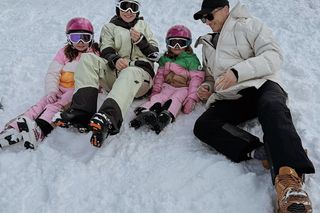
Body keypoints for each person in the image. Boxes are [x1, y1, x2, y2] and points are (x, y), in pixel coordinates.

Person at [192, 0, 315, 212]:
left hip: (262, 84)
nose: (206, 22)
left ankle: (289, 183)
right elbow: (211, 76)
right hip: (234, 95)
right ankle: (264, 151)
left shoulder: (250, 25)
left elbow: (273, 56)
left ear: (224, 9)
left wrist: (237, 72)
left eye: (209, 16)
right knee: (204, 125)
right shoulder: (207, 44)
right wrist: (207, 86)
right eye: (203, 19)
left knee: (272, 106)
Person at [53, 0, 159, 148]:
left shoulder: (144, 27)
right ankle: (82, 113)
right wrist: (114, 60)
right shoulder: (109, 27)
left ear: (137, 11)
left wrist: (142, 42)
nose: (128, 11)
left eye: (133, 8)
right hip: (115, 74)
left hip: (140, 79)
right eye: (124, 6)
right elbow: (106, 49)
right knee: (88, 58)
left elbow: (155, 55)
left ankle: (108, 118)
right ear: (118, 8)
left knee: (130, 71)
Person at [0, 17, 99, 150]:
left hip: (76, 90)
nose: (80, 42)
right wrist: (51, 91)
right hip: (59, 88)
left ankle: (40, 129)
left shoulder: (94, 54)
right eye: (76, 38)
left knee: (55, 106)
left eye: (85, 38)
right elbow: (53, 73)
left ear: (91, 38)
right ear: (69, 39)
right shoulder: (64, 52)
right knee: (40, 104)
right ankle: (13, 129)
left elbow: (99, 74)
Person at [130, 25, 204, 134]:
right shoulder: (165, 58)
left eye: (181, 43)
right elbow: (159, 76)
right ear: (168, 43)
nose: (177, 46)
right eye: (173, 43)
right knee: (159, 97)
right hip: (167, 86)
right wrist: (155, 91)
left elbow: (196, 79)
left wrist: (192, 98)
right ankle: (146, 113)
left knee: (176, 99)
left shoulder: (192, 59)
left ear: (188, 44)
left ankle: (165, 116)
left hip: (183, 88)